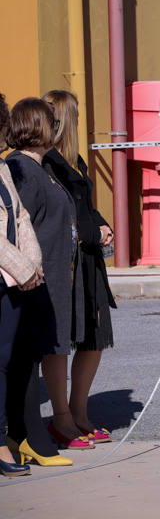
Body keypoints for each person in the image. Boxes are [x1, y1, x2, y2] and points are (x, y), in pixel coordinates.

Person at [4, 98, 90, 453]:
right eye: (51, 122)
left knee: (37, 355)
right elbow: (16, 225)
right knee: (24, 360)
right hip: (31, 280)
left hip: (51, 275)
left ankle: (30, 434)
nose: (57, 127)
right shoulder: (21, 167)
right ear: (38, 126)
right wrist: (27, 270)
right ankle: (23, 435)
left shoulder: (44, 168)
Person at [41, 91, 117, 444]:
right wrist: (92, 231)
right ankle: (62, 418)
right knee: (59, 342)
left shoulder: (74, 161)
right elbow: (62, 216)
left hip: (89, 261)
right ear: (69, 119)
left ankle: (80, 412)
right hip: (66, 263)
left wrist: (104, 225)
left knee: (93, 339)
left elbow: (86, 206)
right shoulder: (47, 163)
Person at [0, 94, 43, 477]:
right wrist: (22, 268)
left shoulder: (1, 170)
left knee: (5, 361)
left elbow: (21, 218)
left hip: (9, 280)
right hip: (7, 274)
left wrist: (33, 265)